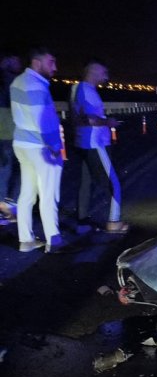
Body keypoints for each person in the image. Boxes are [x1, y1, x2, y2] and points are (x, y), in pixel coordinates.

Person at [11, 47, 76, 253]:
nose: (55, 67)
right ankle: (53, 241)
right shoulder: (36, 86)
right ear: (37, 62)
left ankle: (26, 239)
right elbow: (43, 120)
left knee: (27, 194)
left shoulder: (17, 82)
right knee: (48, 194)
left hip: (22, 144)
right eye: (51, 62)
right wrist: (55, 146)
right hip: (41, 146)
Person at [70, 58, 128, 234]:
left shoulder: (79, 89)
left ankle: (82, 222)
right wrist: (107, 121)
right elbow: (85, 118)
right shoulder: (85, 90)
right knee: (113, 183)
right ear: (93, 71)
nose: (106, 76)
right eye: (103, 72)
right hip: (95, 143)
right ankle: (114, 221)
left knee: (85, 183)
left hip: (85, 143)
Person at [0, 52, 22, 224]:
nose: (19, 63)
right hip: (7, 131)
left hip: (7, 131)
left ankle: (5, 206)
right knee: (10, 168)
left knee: (6, 169)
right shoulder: (10, 80)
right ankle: (5, 206)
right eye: (15, 60)